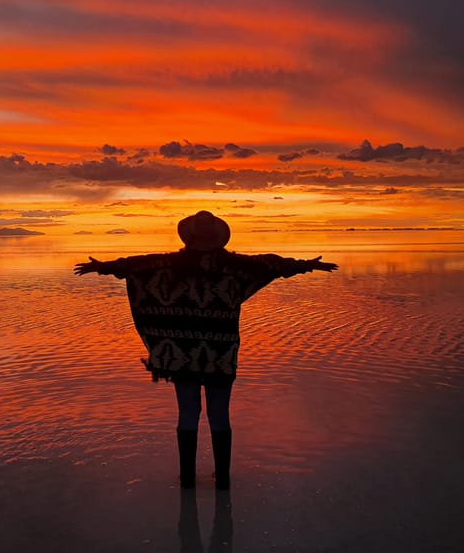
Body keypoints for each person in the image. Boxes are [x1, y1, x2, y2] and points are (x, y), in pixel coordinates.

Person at [74, 210, 338, 490]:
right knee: (219, 413)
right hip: (220, 353)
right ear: (218, 238)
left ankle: (187, 478)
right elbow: (271, 265)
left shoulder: (169, 264)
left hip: (181, 353)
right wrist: (306, 265)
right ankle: (222, 478)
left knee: (187, 411)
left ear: (189, 237)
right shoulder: (234, 266)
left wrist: (101, 267)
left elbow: (137, 266)